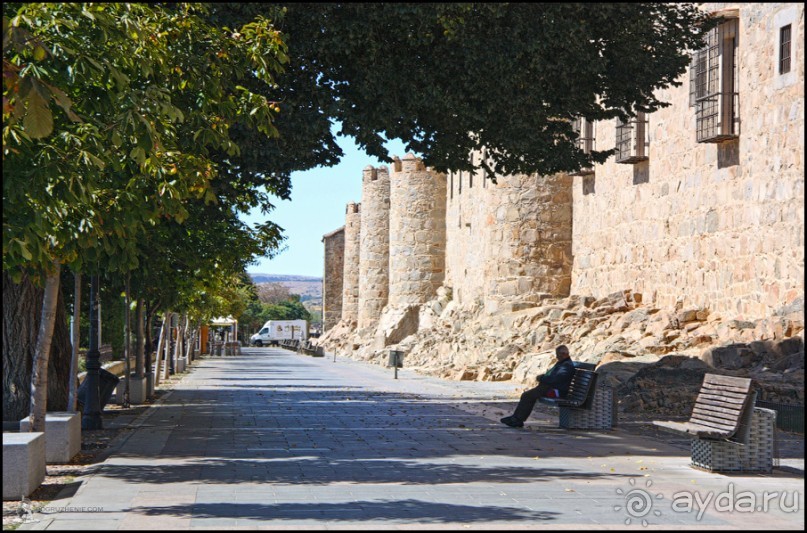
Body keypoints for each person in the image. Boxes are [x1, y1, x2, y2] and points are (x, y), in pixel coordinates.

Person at [500, 345, 575, 428]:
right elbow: (554, 377)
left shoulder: (566, 366)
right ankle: (516, 418)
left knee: (527, 396)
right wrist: (543, 378)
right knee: (527, 395)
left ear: (564, 354)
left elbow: (556, 379)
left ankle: (517, 419)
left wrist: (542, 378)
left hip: (557, 391)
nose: (557, 357)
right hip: (551, 388)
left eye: (558, 355)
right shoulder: (563, 363)